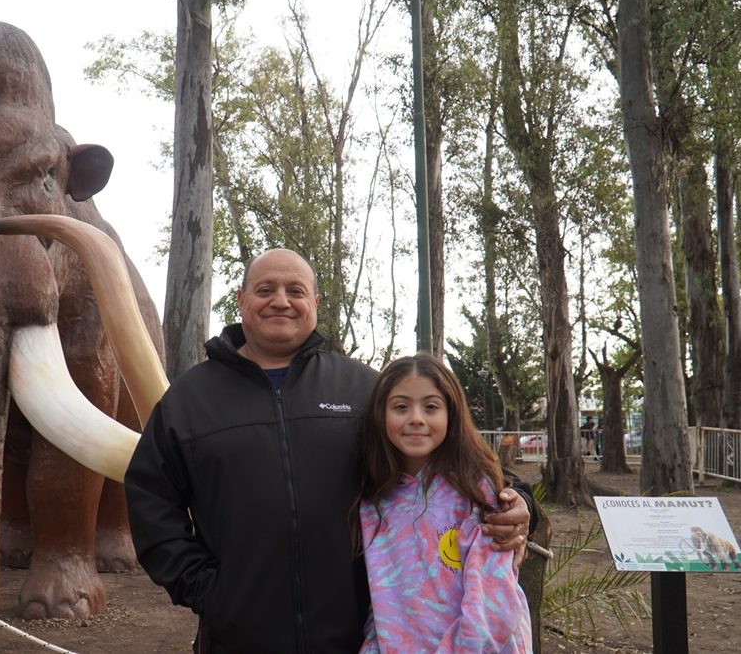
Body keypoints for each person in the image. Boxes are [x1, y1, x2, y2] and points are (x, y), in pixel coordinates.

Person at [124, 248, 534, 653]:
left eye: (295, 290)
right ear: (242, 300)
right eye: (265, 289)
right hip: (238, 638)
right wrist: (207, 589)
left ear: (315, 303)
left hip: (357, 637)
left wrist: (519, 501)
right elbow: (150, 498)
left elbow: (450, 454)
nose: (281, 300)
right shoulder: (190, 399)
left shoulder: (363, 389)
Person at [358, 353, 533, 652]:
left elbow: (494, 608)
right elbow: (382, 609)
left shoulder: (478, 492)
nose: (416, 417)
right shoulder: (372, 503)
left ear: (451, 413)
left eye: (431, 406)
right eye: (401, 406)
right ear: (380, 414)